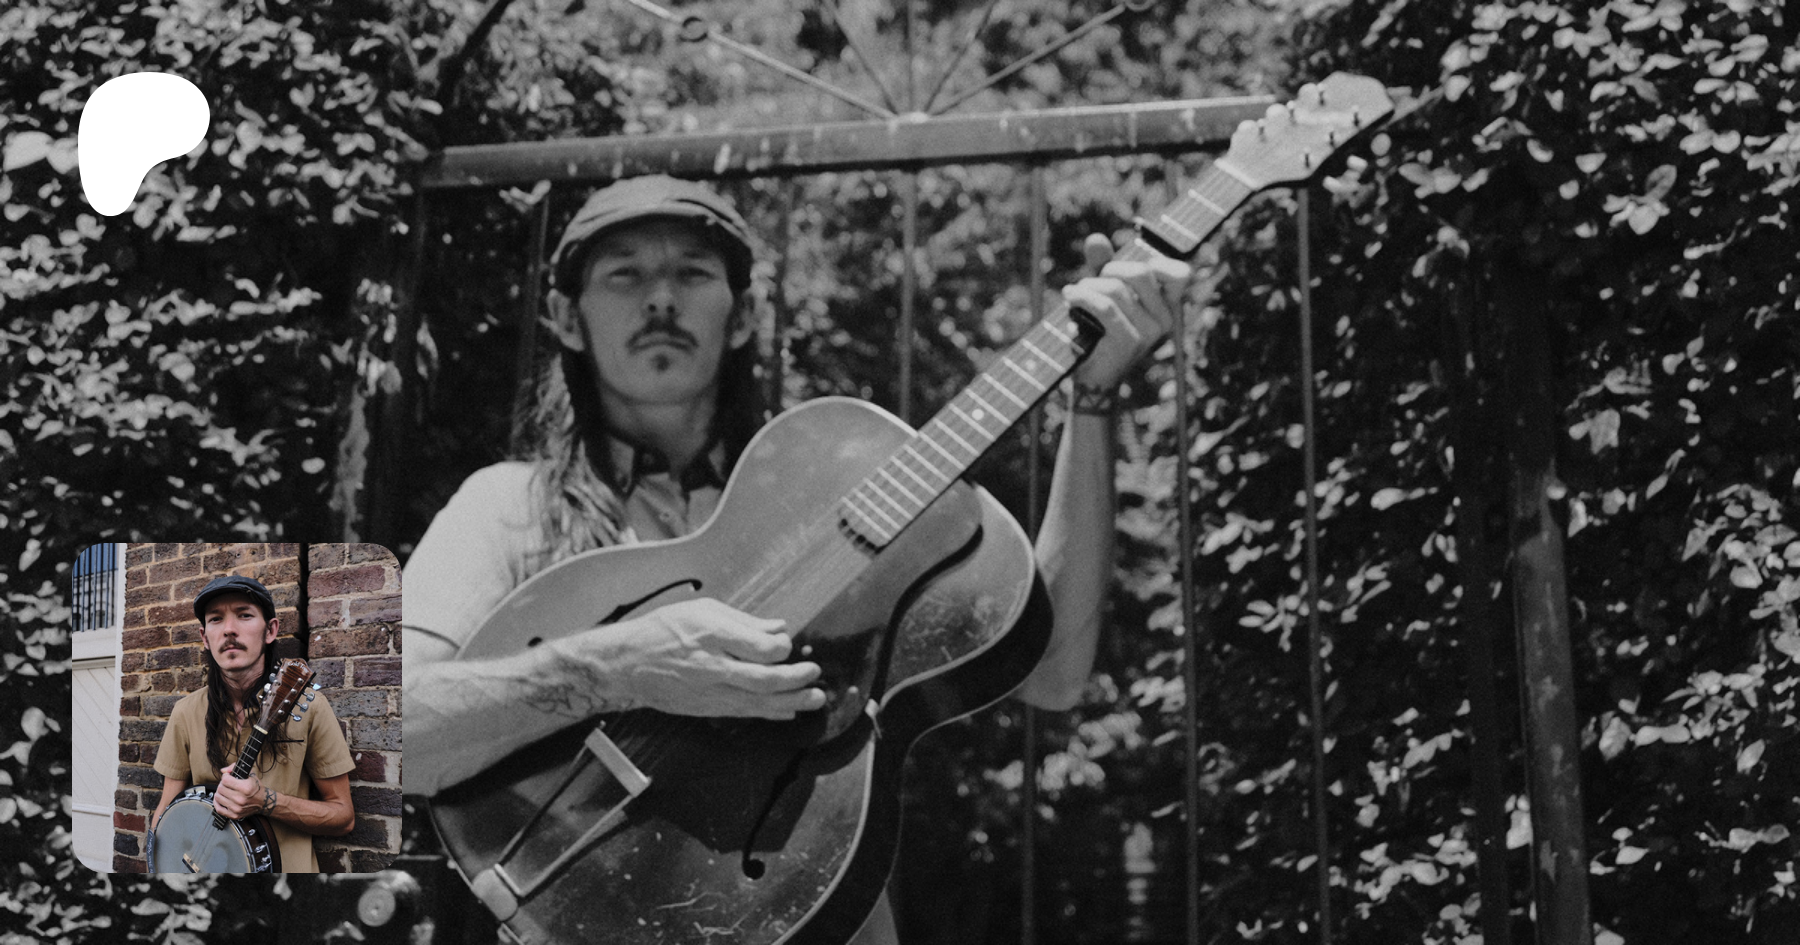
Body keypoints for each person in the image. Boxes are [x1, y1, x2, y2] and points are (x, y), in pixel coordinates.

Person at [402, 175, 1190, 941]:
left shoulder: (828, 498)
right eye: (625, 274)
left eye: (692, 271)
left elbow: (1052, 671)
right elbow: (373, 734)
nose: (661, 298)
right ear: (566, 319)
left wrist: (1092, 401)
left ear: (743, 313)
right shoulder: (506, 505)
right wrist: (617, 667)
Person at [150, 575, 356, 872]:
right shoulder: (185, 712)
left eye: (244, 615)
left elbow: (343, 817)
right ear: (205, 638)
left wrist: (266, 801)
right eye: (216, 619)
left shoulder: (309, 706)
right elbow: (166, 812)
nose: (229, 630)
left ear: (270, 630)